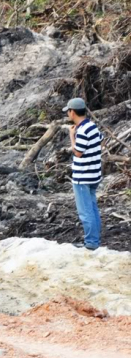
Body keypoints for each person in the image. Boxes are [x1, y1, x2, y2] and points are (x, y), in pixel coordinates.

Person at [65, 97, 104, 250]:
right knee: (93, 208)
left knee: (85, 212)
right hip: (95, 175)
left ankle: (91, 243)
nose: (68, 114)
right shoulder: (92, 126)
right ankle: (94, 240)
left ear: (72, 112)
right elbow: (101, 141)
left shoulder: (81, 130)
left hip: (83, 177)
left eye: (68, 111)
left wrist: (71, 136)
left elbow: (78, 152)